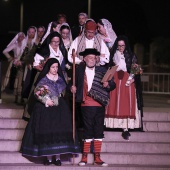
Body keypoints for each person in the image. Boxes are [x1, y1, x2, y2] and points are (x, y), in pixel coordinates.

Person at [21, 58, 80, 166]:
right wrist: (47, 100)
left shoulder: (61, 79)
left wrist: (71, 89)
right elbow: (37, 91)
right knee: (47, 131)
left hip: (60, 108)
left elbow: (65, 92)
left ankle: (57, 157)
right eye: (53, 67)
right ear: (48, 67)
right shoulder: (43, 79)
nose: (55, 69)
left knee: (58, 131)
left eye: (57, 67)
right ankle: (48, 158)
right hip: (46, 108)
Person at [70, 48, 116, 166]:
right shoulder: (79, 70)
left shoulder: (102, 69)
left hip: (100, 103)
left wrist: (108, 84)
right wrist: (72, 88)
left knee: (98, 128)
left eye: (94, 58)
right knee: (88, 128)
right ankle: (84, 156)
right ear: (84, 59)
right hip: (86, 103)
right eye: (89, 58)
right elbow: (72, 84)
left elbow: (113, 84)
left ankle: (97, 157)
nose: (92, 60)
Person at [104, 35, 143, 140]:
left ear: (126, 45)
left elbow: (136, 68)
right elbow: (110, 68)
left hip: (127, 80)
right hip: (115, 80)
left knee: (126, 102)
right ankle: (111, 124)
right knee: (114, 101)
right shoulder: (113, 55)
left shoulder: (131, 55)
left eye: (122, 46)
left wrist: (132, 78)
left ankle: (125, 128)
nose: (121, 47)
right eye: (119, 45)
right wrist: (107, 79)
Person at [23, 31, 68, 120]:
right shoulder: (44, 50)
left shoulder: (62, 50)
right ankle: (34, 115)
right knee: (43, 95)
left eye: (57, 41)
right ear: (49, 41)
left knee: (59, 97)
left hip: (58, 77)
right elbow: (36, 65)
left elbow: (66, 62)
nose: (56, 43)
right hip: (44, 76)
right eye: (53, 42)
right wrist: (46, 69)